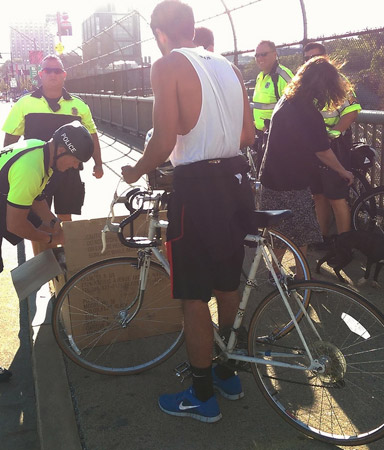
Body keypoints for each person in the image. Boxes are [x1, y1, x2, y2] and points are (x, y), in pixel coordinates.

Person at [121, 1, 256, 423]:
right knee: (227, 284)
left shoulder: (167, 66)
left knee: (194, 296)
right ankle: (228, 373)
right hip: (237, 185)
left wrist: (134, 170)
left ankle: (202, 395)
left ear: (159, 33)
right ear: (193, 28)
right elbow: (248, 134)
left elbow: (162, 141)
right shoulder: (229, 68)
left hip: (197, 191)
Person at [0, 122, 94, 382]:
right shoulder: (32, 166)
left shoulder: (43, 152)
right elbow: (16, 224)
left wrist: (54, 224)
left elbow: (37, 198)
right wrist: (51, 237)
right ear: (63, 150)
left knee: (44, 231)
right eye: (76, 161)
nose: (76, 167)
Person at [2, 55, 103, 252]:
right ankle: (44, 264)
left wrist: (98, 163)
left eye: (57, 71)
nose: (53, 74)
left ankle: (68, 260)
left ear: (64, 75)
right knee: (39, 219)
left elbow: (92, 136)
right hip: (37, 170)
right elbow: (10, 140)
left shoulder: (79, 105)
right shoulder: (24, 104)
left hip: (69, 171)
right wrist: (7, 170)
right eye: (48, 70)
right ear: (41, 74)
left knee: (66, 217)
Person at [259, 57, 354, 261]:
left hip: (271, 177)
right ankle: (299, 280)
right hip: (292, 183)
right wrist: (343, 171)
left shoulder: (287, 100)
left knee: (281, 234)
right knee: (299, 233)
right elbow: (323, 151)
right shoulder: (307, 112)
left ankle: (282, 276)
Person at [303, 42, 362, 246]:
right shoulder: (306, 83)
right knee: (318, 195)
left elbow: (351, 112)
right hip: (314, 145)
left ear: (326, 57)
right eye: (308, 58)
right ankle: (323, 237)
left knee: (336, 196)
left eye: (316, 56)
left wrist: (333, 134)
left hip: (334, 145)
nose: (312, 61)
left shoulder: (338, 80)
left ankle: (343, 245)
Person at [252, 40, 294, 171]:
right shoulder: (260, 76)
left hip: (277, 138)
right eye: (257, 55)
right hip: (261, 135)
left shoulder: (283, 75)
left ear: (275, 54)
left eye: (264, 54)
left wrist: (276, 129)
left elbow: (296, 107)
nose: (260, 58)